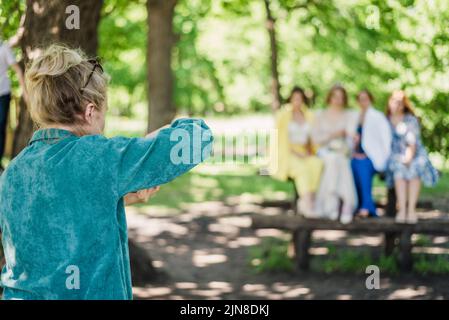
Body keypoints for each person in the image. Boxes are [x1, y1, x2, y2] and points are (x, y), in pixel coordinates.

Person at [0, 44, 213, 300]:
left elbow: (55, 216)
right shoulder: (98, 156)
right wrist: (155, 138)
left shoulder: (13, 171)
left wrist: (118, 198)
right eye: (104, 114)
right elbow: (197, 139)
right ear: (90, 112)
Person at [386, 90, 438, 224]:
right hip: (395, 156)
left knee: (414, 168)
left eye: (400, 102)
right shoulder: (385, 120)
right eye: (394, 101)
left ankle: (411, 210)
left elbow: (412, 142)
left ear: (404, 104)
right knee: (399, 169)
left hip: (413, 154)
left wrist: (408, 158)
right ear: (389, 102)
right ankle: (402, 209)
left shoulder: (410, 119)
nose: (397, 105)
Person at [270, 86, 323, 217]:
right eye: (294, 99)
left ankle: (308, 200)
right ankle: (307, 202)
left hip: (305, 151)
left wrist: (310, 150)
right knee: (302, 169)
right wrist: (295, 152)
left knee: (316, 164)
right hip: (287, 152)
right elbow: (279, 139)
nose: (297, 102)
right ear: (290, 99)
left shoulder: (309, 116)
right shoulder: (283, 116)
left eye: (299, 99)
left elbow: (314, 137)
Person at [312, 84, 358, 224]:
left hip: (342, 151)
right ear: (329, 97)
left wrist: (351, 139)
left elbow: (351, 139)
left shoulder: (350, 115)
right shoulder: (320, 115)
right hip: (324, 150)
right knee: (332, 159)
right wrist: (334, 134)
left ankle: (336, 204)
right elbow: (316, 140)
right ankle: (343, 202)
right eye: (335, 96)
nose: (338, 100)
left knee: (339, 159)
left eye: (341, 97)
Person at [351, 90, 392, 218]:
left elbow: (386, 139)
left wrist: (383, 158)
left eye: (366, 99)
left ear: (370, 100)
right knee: (349, 166)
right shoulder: (354, 116)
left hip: (373, 157)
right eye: (360, 99)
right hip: (354, 155)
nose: (363, 102)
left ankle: (366, 207)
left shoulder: (377, 117)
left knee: (362, 166)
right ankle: (354, 205)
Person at [0, 39, 27, 172]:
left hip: (3, 94)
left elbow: (17, 70)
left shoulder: (4, 48)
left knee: (1, 126)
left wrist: (25, 92)